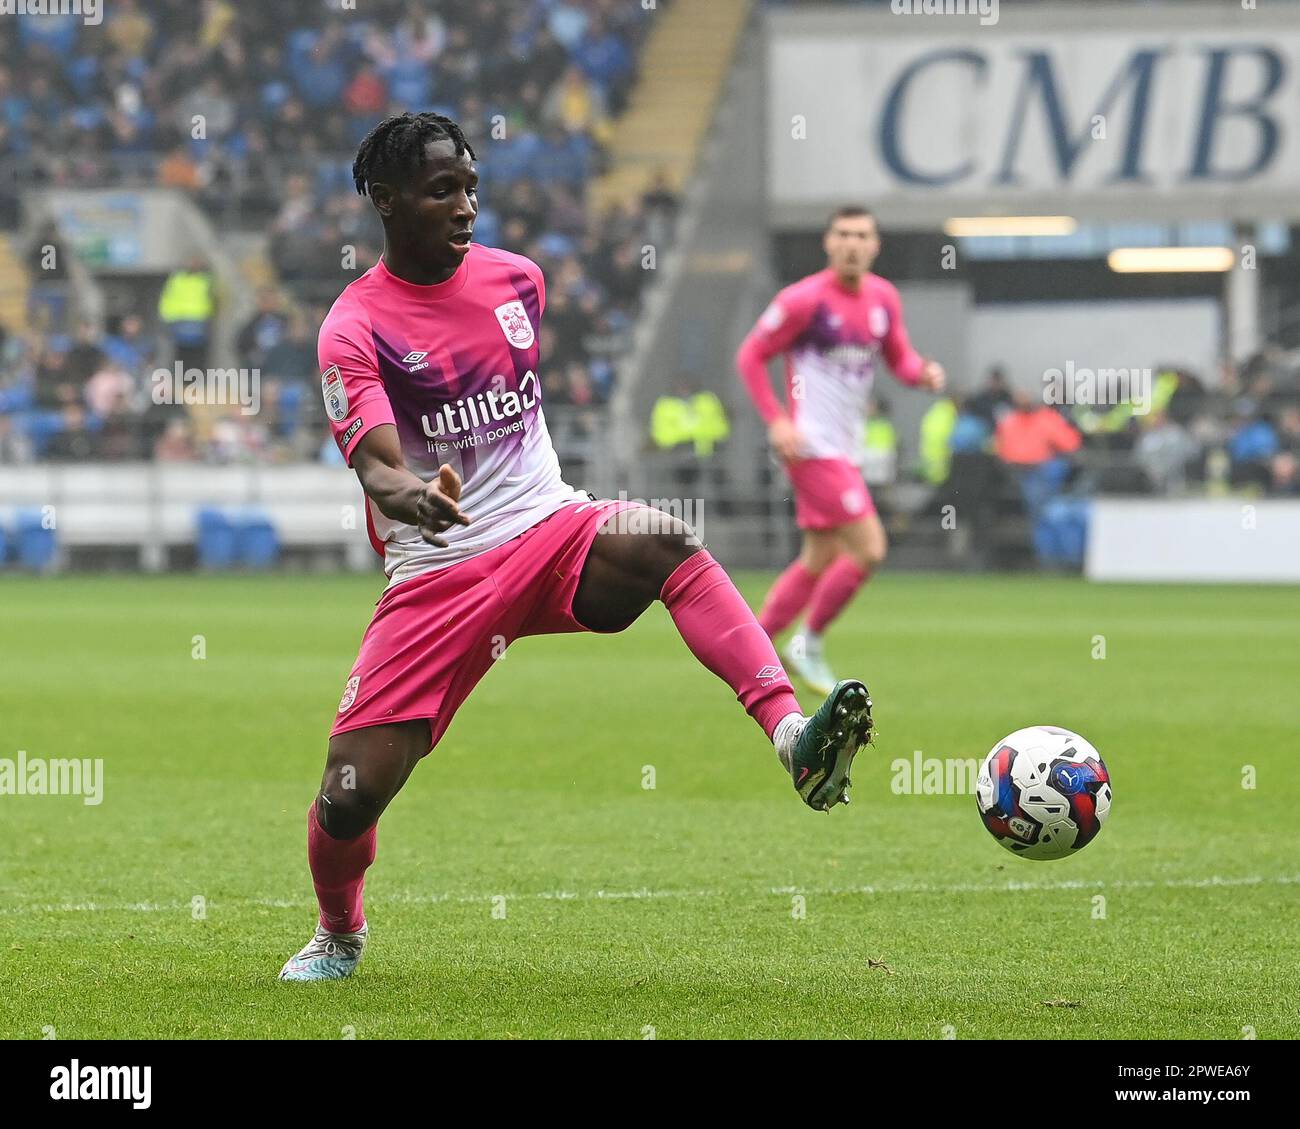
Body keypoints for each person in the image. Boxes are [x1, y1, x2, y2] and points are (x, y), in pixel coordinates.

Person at [279, 113, 875, 982]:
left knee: (664, 540)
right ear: (386, 200)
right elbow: (377, 467)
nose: (466, 206)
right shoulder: (352, 327)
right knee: (348, 797)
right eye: (443, 190)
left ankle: (793, 736)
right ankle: (339, 930)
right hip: (438, 576)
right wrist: (417, 497)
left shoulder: (518, 282)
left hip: (551, 527)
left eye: (472, 187)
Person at [736, 206, 945, 694]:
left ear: (875, 246)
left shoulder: (882, 299)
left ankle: (753, 652)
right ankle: (807, 643)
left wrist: (923, 373)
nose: (853, 243)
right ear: (828, 243)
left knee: (819, 555)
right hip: (810, 446)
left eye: (863, 235)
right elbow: (751, 355)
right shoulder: (803, 300)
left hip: (843, 448)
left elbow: (899, 357)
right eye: (844, 234)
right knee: (870, 548)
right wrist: (777, 420)